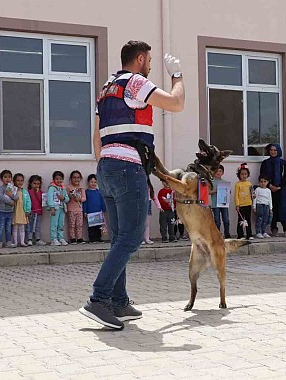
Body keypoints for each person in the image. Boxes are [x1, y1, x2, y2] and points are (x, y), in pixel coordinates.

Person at [79, 40, 185, 330]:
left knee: (119, 238)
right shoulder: (136, 83)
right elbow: (176, 103)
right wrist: (177, 76)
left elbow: (96, 134)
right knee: (132, 238)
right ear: (140, 59)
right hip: (128, 167)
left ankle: (118, 301)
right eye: (149, 60)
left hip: (107, 167)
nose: (150, 65)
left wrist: (103, 164)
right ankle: (98, 300)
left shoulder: (107, 87)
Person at [260, 144, 286, 237]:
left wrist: (279, 186)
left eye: (275, 150)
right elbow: (262, 175)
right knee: (271, 209)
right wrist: (269, 185)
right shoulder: (265, 163)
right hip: (268, 189)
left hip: (281, 189)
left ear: (279, 151)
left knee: (283, 208)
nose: (273, 152)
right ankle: (273, 228)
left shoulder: (283, 163)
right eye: (271, 150)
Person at [0, 169, 18, 248]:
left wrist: (11, 195)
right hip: (2, 211)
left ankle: (8, 241)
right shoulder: (0, 188)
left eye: (9, 177)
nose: (7, 179)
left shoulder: (13, 188)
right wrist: (10, 202)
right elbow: (1, 197)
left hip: (10, 211)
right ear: (1, 179)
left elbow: (16, 197)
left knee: (8, 227)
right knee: (1, 227)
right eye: (5, 177)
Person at [47, 171, 69, 246]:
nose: (59, 180)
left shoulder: (63, 188)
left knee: (61, 224)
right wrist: (52, 207)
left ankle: (61, 238)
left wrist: (63, 198)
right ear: (53, 179)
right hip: (55, 209)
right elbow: (49, 198)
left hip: (62, 208)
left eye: (60, 179)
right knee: (54, 224)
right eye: (57, 179)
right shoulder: (52, 188)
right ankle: (54, 239)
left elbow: (67, 199)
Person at [83, 174, 106, 243]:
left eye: (95, 182)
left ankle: (98, 238)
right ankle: (92, 238)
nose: (93, 183)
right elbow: (85, 202)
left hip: (98, 212)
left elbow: (102, 201)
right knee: (91, 226)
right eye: (91, 182)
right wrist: (85, 211)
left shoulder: (99, 192)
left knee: (98, 226)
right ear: (88, 182)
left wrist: (103, 209)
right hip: (90, 213)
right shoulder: (87, 192)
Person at [210, 165, 231, 238]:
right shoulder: (211, 182)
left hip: (223, 204)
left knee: (226, 220)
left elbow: (228, 192)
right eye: (216, 171)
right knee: (217, 220)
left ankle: (227, 234)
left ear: (223, 173)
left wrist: (228, 191)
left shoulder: (224, 182)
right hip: (215, 204)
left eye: (220, 171)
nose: (218, 173)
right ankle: (217, 234)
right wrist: (215, 190)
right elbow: (208, 192)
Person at [66, 170, 86, 244]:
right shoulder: (68, 187)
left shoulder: (81, 188)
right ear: (71, 178)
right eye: (74, 177)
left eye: (78, 177)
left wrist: (80, 199)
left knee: (80, 224)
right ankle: (72, 238)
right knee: (72, 225)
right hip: (71, 209)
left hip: (79, 209)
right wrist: (70, 196)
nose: (76, 179)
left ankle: (80, 238)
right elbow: (66, 198)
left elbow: (84, 198)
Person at [235, 164, 254, 240]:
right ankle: (240, 235)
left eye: (245, 174)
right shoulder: (237, 184)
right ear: (239, 175)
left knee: (248, 220)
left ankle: (249, 234)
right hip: (241, 205)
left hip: (248, 204)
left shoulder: (249, 184)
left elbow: (252, 193)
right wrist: (237, 205)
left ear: (248, 175)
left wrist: (253, 197)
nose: (244, 176)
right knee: (241, 220)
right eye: (242, 174)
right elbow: (236, 195)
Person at [26, 175, 46, 246]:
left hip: (39, 212)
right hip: (31, 212)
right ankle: (29, 239)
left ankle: (38, 239)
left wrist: (38, 193)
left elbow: (42, 201)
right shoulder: (28, 192)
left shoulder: (41, 192)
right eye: (34, 183)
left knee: (37, 226)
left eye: (38, 184)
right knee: (30, 226)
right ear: (30, 184)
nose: (36, 185)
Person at [11, 173, 30, 247]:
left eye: (21, 181)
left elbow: (28, 201)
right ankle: (15, 242)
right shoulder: (12, 190)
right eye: (18, 180)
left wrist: (28, 210)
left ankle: (22, 242)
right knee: (15, 227)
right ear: (14, 181)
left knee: (22, 227)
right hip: (15, 211)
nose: (20, 182)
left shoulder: (25, 191)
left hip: (22, 211)